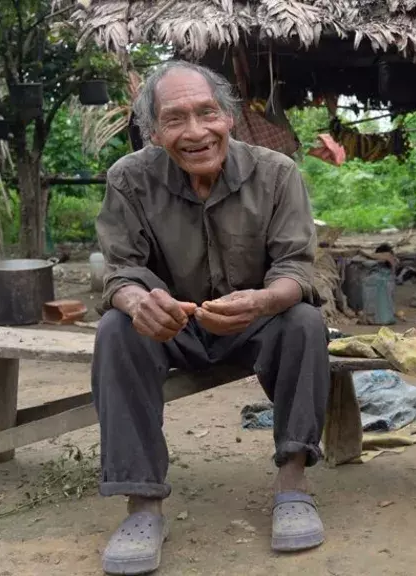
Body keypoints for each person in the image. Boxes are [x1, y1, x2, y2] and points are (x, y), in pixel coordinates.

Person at [93, 60, 329, 575]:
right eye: (176, 119)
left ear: (229, 117)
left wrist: (266, 300)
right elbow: (119, 271)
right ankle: (142, 505)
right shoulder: (129, 179)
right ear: (154, 132)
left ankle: (292, 485)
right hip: (170, 329)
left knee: (305, 320)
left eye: (207, 113)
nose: (196, 132)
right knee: (115, 328)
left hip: (253, 324)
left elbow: (297, 267)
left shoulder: (276, 173)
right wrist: (137, 303)